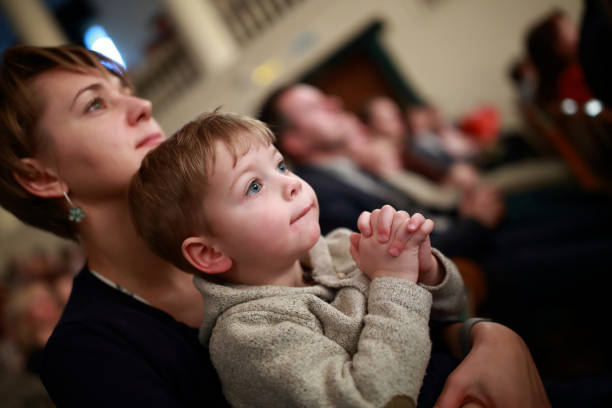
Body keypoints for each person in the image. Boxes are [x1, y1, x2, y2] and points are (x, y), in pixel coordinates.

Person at [0, 44, 549, 407]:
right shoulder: (89, 351)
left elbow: (394, 304)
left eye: (126, 90)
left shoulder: (276, 226)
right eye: (95, 105)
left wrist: (487, 337)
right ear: (38, 174)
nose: (143, 106)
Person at [128, 110, 468, 407]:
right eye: (254, 186)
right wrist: (395, 281)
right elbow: (373, 400)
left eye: (280, 165)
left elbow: (453, 310)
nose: (290, 184)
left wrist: (427, 269)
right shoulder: (248, 334)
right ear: (210, 252)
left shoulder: (338, 247)